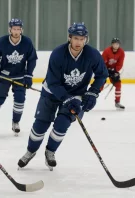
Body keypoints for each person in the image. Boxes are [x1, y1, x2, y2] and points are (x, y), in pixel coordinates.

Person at [17, 22, 108, 170]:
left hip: (76, 94)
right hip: (52, 92)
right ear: (70, 38)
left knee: (62, 123)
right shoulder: (58, 54)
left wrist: (93, 92)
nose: (79, 42)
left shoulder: (92, 54)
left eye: (82, 39)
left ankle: (50, 151)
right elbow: (53, 82)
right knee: (41, 124)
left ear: (86, 39)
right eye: (76, 38)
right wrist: (66, 98)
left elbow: (102, 75)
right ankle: (30, 151)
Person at [0, 18, 38, 135]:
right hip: (4, 76)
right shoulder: (2, 41)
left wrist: (29, 75)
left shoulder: (27, 42)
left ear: (21, 30)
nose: (16, 31)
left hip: (20, 76)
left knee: (20, 100)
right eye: (14, 29)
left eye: (18, 29)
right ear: (10, 29)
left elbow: (32, 59)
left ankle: (15, 122)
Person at [101, 38, 125, 110]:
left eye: (117, 44)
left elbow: (120, 64)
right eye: (115, 44)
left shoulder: (121, 52)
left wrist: (115, 70)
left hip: (114, 71)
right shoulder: (107, 51)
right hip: (104, 70)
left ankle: (117, 102)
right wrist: (106, 70)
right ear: (112, 44)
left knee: (118, 84)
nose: (116, 45)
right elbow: (102, 62)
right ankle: (88, 100)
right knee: (100, 85)